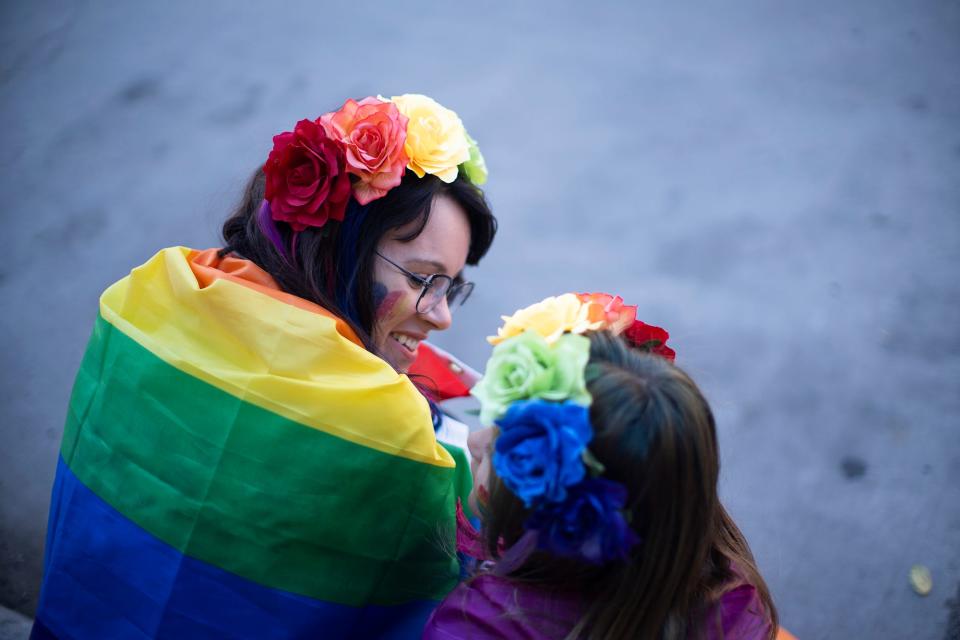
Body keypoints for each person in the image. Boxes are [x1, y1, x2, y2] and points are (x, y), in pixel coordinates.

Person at [32, 94, 496, 639]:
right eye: (423, 280)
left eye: (452, 289)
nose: (441, 317)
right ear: (339, 246)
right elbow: (460, 576)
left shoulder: (146, 297)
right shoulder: (391, 427)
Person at [424, 293, 779, 639]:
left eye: (508, 444)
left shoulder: (476, 625)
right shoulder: (729, 599)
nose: (475, 441)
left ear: (568, 509)